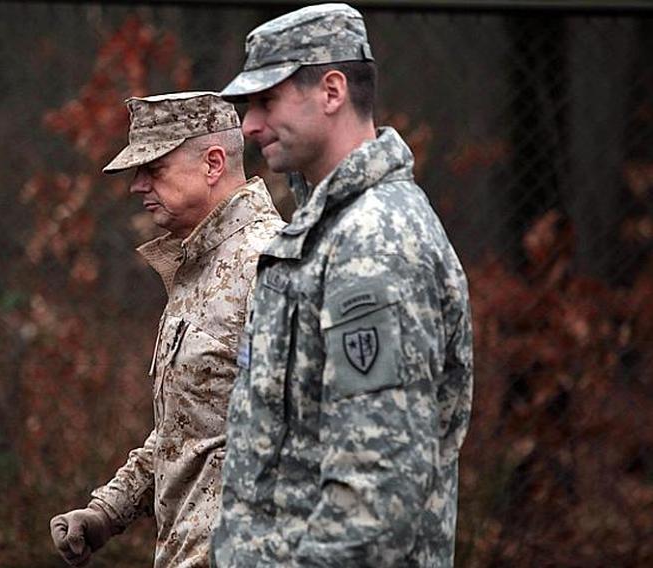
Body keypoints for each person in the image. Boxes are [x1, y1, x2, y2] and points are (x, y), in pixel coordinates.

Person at [210, 4, 474, 567]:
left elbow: (375, 494)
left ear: (332, 91)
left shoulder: (372, 242)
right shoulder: (326, 230)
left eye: (266, 101)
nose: (249, 126)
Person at [49, 91, 284, 568]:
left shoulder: (270, 265)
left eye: (153, 169)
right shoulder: (198, 266)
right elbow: (192, 428)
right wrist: (106, 512)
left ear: (213, 163)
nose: (138, 186)